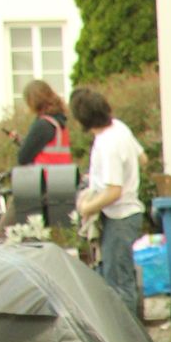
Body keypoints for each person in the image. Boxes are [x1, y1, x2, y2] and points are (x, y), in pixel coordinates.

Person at [72, 86, 145, 321]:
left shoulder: (108, 144)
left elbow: (114, 191)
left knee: (119, 284)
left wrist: (87, 207)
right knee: (121, 277)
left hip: (119, 217)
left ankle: (127, 337)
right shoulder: (119, 128)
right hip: (128, 213)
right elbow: (142, 158)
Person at [13, 80, 73, 167]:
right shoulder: (59, 123)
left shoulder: (42, 125)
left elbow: (23, 158)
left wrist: (24, 144)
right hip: (62, 173)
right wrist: (21, 141)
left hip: (44, 174)